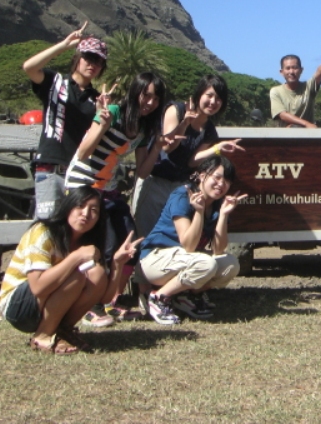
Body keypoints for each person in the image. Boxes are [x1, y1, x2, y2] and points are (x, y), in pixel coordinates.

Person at [64, 72, 166, 326]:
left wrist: (157, 147)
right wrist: (102, 123)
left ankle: (112, 301)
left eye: (156, 98)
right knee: (105, 245)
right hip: (84, 185)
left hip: (108, 189)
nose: (150, 102)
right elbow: (84, 152)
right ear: (135, 92)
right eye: (146, 95)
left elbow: (142, 172)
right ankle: (90, 306)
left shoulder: (143, 128)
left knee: (131, 241)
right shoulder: (113, 112)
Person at [0, 186, 141, 355]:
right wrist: (76, 257)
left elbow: (104, 298)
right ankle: (43, 335)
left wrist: (117, 263)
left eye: (94, 210)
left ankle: (62, 331)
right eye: (80, 206)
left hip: (45, 304)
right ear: (68, 207)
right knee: (76, 276)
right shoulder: (43, 232)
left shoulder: (88, 242)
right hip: (17, 307)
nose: (85, 214)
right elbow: (37, 287)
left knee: (96, 272)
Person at [132, 74, 244, 239]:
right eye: (209, 95)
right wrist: (184, 123)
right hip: (155, 182)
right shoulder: (176, 110)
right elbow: (168, 147)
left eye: (219, 99)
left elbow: (192, 162)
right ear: (199, 94)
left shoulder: (209, 130)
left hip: (180, 188)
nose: (213, 102)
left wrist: (217, 148)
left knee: (171, 237)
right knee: (143, 235)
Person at [138, 156, 245, 324]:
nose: (221, 184)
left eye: (227, 180)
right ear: (202, 176)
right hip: (155, 259)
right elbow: (188, 245)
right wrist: (199, 212)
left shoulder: (217, 204)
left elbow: (218, 250)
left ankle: (186, 296)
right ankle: (158, 298)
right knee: (205, 263)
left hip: (183, 260)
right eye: (217, 177)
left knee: (230, 264)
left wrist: (223, 215)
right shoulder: (183, 195)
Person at [22, 21, 106, 220]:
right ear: (78, 58)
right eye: (89, 57)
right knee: (47, 225)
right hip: (51, 168)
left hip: (79, 172)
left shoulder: (98, 99)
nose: (93, 64)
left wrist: (101, 115)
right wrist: (64, 45)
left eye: (99, 61)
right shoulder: (55, 82)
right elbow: (29, 67)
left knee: (75, 228)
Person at [269, 45, 321, 127]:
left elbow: (319, 72)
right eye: (288, 68)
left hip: (308, 133)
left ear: (301, 70)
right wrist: (306, 124)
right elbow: (282, 115)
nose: (291, 71)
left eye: (295, 68)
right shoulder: (276, 91)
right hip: (286, 133)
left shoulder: (308, 87)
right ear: (281, 72)